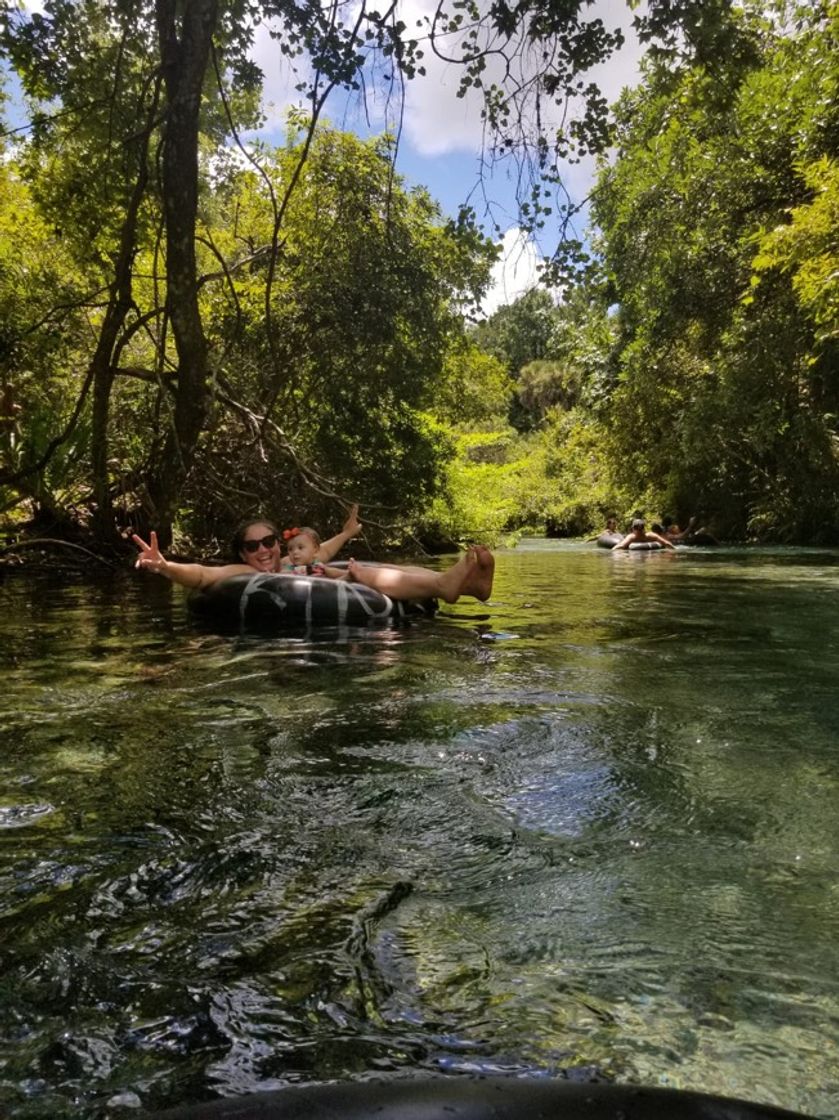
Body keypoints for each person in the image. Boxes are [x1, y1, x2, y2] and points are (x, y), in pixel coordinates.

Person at [133, 506, 494, 603]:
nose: (263, 550)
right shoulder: (241, 574)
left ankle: (467, 586)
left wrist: (349, 533)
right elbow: (200, 575)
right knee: (362, 574)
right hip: (307, 608)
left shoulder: (294, 561)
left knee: (384, 566)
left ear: (278, 542)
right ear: (242, 553)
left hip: (330, 581)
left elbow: (326, 550)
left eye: (269, 541)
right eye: (252, 546)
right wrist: (165, 567)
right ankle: (445, 587)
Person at [280, 526, 349, 579]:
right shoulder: (289, 569)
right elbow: (281, 576)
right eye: (290, 549)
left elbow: (334, 572)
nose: (295, 552)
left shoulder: (318, 566)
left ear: (315, 550)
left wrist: (348, 573)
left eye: (300, 548)